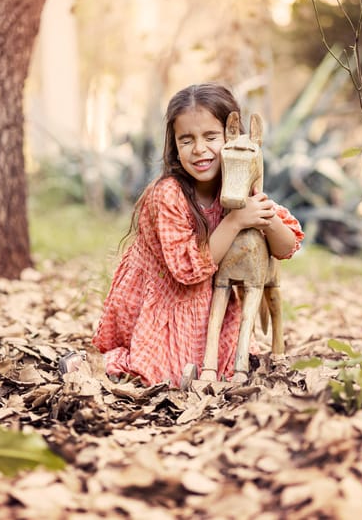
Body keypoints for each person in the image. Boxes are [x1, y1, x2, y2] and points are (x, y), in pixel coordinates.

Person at [90, 83, 304, 386]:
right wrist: (234, 223)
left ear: (232, 139)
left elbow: (286, 247)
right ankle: (88, 364)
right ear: (174, 145)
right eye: (186, 139)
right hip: (168, 298)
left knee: (224, 371)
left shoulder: (238, 190)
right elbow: (186, 270)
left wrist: (265, 219)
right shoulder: (167, 195)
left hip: (213, 301)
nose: (199, 149)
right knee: (167, 375)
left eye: (211, 137)